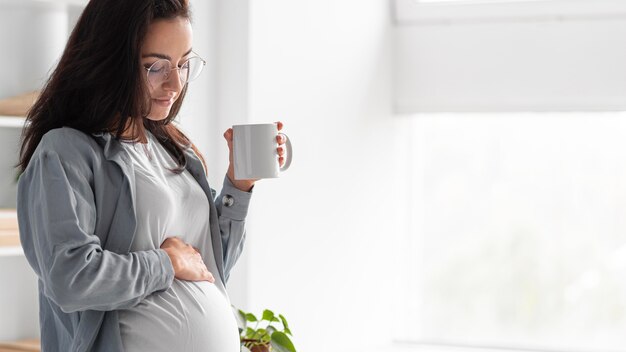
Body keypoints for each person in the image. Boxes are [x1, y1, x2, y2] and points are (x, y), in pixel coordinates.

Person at [15, 0, 286, 351]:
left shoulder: (176, 150)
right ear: (110, 61)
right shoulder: (66, 152)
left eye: (183, 64)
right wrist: (166, 263)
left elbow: (211, 269)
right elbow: (70, 277)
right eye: (155, 66)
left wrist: (240, 185)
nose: (174, 84)